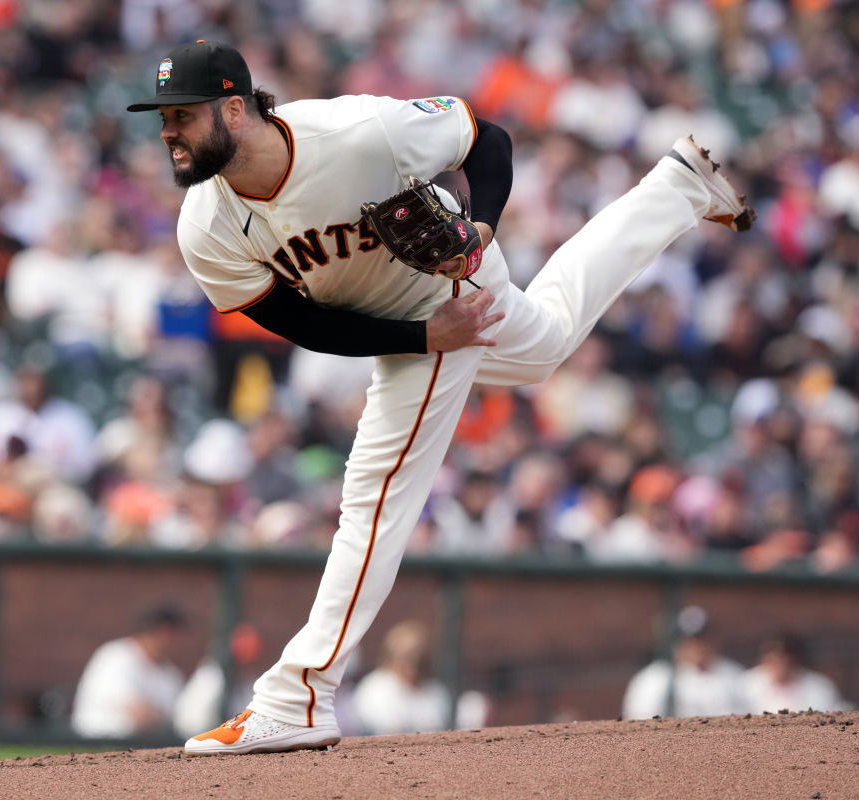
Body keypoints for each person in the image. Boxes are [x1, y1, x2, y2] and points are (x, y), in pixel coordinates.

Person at [126, 40, 755, 755]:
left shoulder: (359, 132)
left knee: (374, 493)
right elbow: (301, 322)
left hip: (448, 286)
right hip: (419, 326)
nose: (167, 132)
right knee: (543, 344)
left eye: (181, 115)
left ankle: (299, 695)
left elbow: (488, 139)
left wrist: (481, 230)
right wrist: (423, 337)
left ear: (235, 109)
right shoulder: (203, 225)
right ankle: (678, 188)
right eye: (162, 118)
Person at [70, 604, 188, 739]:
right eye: (173, 633)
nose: (177, 641)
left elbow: (179, 717)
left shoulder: (170, 672)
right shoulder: (116, 655)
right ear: (160, 630)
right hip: (98, 740)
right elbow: (139, 713)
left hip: (146, 744)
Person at [622, 606, 748, 720]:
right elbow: (640, 723)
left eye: (704, 638)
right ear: (677, 643)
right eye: (691, 640)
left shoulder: (734, 674)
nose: (699, 646)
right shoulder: (654, 679)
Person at [741, 633, 847, 714]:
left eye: (783, 657)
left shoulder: (819, 688)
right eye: (774, 658)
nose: (780, 663)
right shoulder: (746, 685)